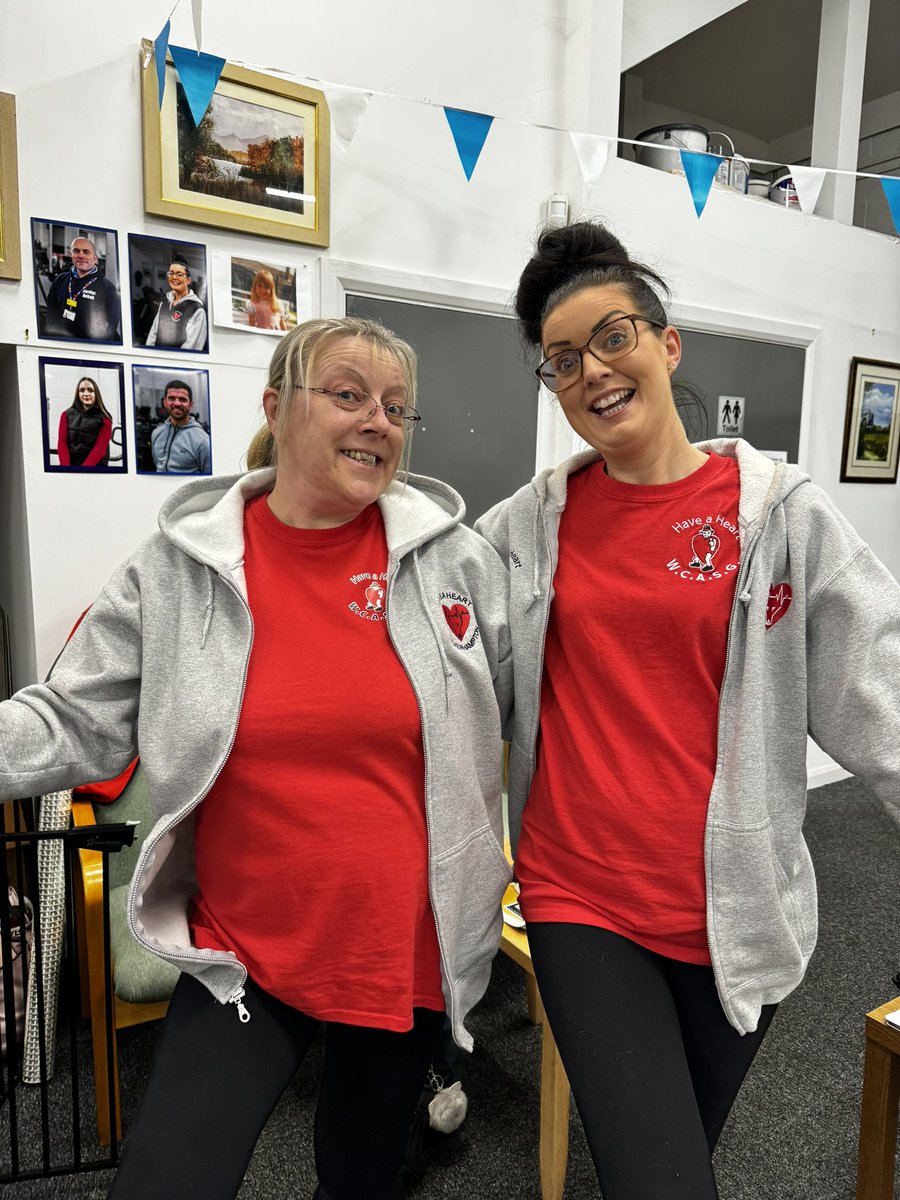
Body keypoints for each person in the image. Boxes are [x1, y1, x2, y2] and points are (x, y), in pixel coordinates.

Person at [0, 315, 511, 1200]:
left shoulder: (455, 564)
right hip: (246, 946)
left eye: (396, 406)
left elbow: (558, 693)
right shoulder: (176, 569)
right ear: (276, 407)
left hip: (402, 950)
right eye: (348, 394)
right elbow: (70, 719)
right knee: (164, 1182)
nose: (378, 420)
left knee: (360, 1180)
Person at [475, 219, 900, 1200]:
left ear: (668, 344)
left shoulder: (780, 516)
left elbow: (876, 685)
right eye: (562, 359)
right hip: (584, 900)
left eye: (613, 336)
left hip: (739, 918)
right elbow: (438, 669)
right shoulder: (525, 532)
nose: (592, 371)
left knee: (663, 1162)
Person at [44, 236, 121, 341]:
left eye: (86, 252)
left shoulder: (108, 289)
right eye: (76, 251)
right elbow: (51, 310)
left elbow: (109, 328)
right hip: (62, 343)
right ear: (72, 255)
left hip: (90, 349)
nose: (81, 255)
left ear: (95, 258)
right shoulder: (61, 280)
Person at [145, 255, 208, 351]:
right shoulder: (164, 303)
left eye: (179, 274)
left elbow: (192, 348)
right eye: (171, 273)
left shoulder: (197, 310)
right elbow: (153, 334)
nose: (174, 277)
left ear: (188, 280)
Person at [150, 379, 211, 475]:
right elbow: (158, 464)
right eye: (171, 398)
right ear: (165, 402)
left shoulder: (203, 441)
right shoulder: (156, 433)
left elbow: (208, 480)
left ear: (191, 405)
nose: (177, 403)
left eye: (183, 399)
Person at [57, 376, 114, 468]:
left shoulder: (105, 418)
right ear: (78, 393)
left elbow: (100, 449)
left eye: (90, 390)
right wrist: (66, 468)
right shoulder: (66, 415)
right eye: (82, 390)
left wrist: (84, 470)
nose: (86, 393)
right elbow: (62, 443)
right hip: (71, 466)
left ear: (96, 394)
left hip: (95, 468)